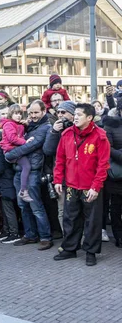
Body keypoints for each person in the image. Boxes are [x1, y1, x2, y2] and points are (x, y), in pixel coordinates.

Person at [53, 104, 110, 266]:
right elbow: (60, 159)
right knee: (70, 218)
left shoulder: (100, 136)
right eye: (75, 114)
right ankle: (70, 248)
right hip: (71, 185)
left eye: (79, 114)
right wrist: (58, 180)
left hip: (90, 187)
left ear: (90, 118)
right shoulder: (67, 134)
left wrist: (96, 186)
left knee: (92, 221)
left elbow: (103, 165)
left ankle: (91, 251)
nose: (75, 117)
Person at [4, 100, 53, 250]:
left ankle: (45, 237)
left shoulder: (46, 127)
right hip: (20, 170)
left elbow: (31, 145)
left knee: (36, 205)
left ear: (43, 112)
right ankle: (30, 235)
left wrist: (9, 155)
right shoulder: (28, 125)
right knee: (23, 205)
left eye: (36, 112)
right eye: (30, 112)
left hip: (32, 171)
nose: (32, 115)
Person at [43, 100, 76, 233]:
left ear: (73, 114)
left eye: (64, 112)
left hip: (77, 177)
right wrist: (54, 132)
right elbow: (48, 150)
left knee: (77, 211)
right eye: (58, 112)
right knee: (62, 210)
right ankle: (67, 240)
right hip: (61, 178)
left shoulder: (79, 127)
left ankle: (82, 240)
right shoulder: (54, 128)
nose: (60, 115)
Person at [0, 104, 33, 203]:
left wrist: (25, 125)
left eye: (20, 114)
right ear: (11, 114)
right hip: (11, 150)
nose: (18, 116)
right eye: (16, 114)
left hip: (15, 149)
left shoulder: (18, 124)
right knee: (26, 166)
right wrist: (25, 142)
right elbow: (12, 138)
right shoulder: (9, 124)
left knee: (25, 167)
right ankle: (23, 191)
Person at [103, 104, 122, 248]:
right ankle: (119, 237)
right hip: (117, 174)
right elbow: (107, 148)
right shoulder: (110, 124)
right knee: (116, 207)